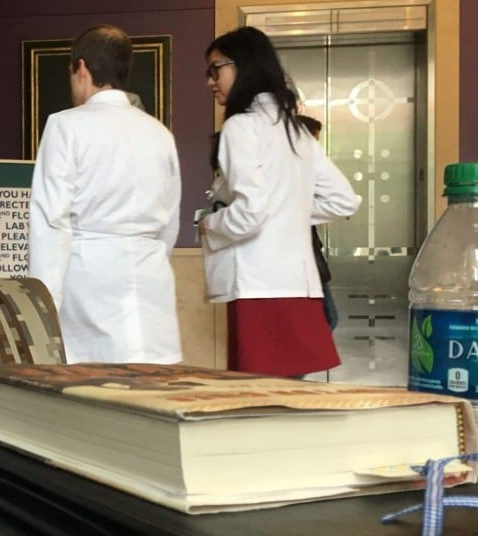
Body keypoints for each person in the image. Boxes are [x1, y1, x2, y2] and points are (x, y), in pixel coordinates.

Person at [198, 26, 358, 378]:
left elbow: (251, 213)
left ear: (243, 65)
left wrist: (210, 225)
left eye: (216, 69)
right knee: (287, 395)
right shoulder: (296, 130)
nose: (211, 81)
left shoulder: (242, 127)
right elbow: (344, 201)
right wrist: (291, 208)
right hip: (298, 285)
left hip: (258, 285)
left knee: (257, 399)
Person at [28, 24, 182, 364]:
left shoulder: (65, 125)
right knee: (153, 388)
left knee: (94, 393)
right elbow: (170, 224)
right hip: (151, 279)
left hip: (90, 280)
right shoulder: (159, 133)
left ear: (81, 69)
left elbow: (50, 221)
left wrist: (44, 303)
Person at [297, 114, 339, 332]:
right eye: (314, 140)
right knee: (328, 319)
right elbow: (343, 201)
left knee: (328, 319)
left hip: (311, 257)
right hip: (304, 263)